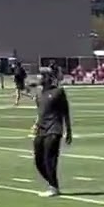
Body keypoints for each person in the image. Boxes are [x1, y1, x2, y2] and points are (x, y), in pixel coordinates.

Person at [32, 67, 72, 197]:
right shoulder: (39, 94)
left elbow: (65, 112)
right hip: (41, 129)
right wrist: (36, 124)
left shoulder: (58, 92)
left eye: (41, 76)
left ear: (47, 78)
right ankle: (52, 183)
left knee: (50, 158)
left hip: (54, 129)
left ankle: (53, 186)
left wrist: (69, 131)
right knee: (38, 160)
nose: (39, 78)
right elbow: (40, 112)